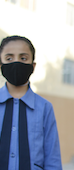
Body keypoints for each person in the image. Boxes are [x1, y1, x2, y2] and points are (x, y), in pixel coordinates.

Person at [0, 35, 62, 169]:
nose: (16, 62)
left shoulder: (45, 108)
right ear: (1, 64)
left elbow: (52, 158)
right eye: (9, 58)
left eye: (23, 58)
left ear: (33, 66)